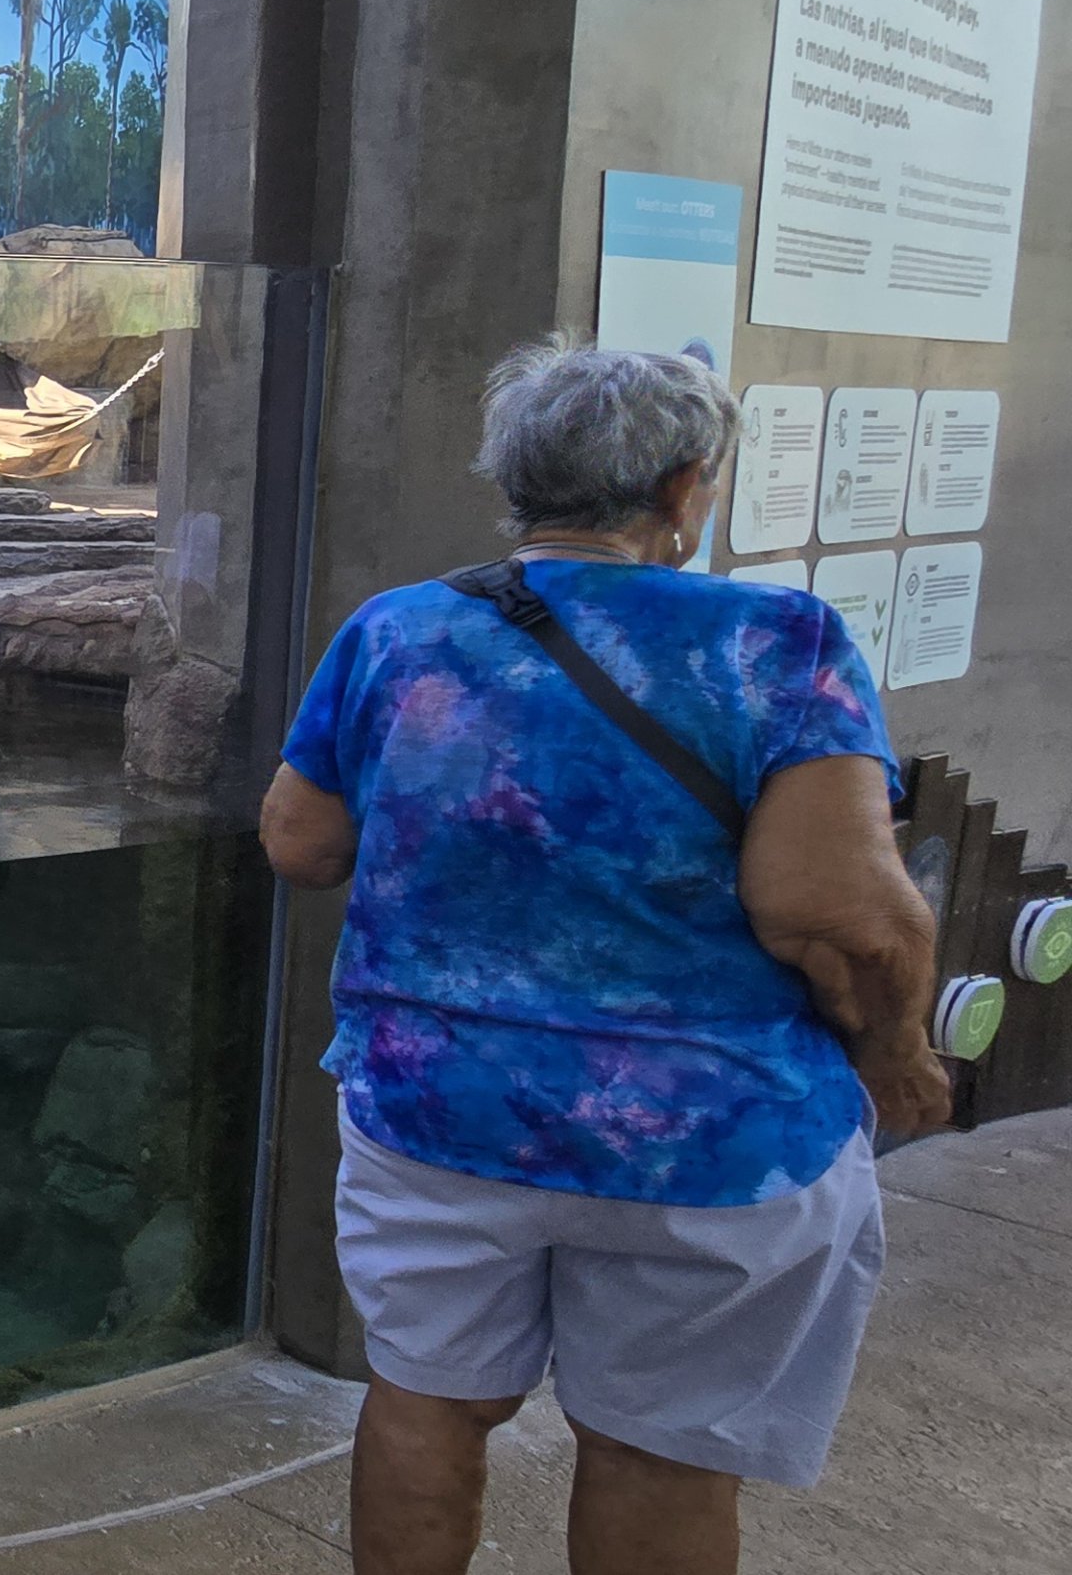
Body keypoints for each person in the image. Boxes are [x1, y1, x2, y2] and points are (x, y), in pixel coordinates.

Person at [260, 340, 948, 1575]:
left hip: (439, 1109)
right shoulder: (776, 644)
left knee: (427, 1398)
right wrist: (899, 1048)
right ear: (683, 487)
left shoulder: (399, 632)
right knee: (657, 1446)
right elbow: (843, 916)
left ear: (514, 480)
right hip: (704, 1138)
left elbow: (301, 842)